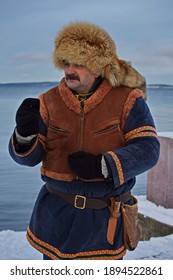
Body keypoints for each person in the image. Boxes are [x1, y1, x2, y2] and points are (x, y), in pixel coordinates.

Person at [9, 21, 160, 260]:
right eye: (66, 63)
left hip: (103, 225)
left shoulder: (128, 100)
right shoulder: (48, 101)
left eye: (78, 64)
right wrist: (24, 135)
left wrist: (104, 165)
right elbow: (29, 158)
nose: (69, 70)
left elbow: (148, 149)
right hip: (54, 220)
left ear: (99, 68)